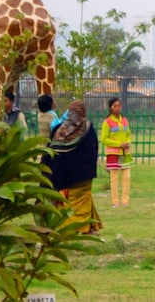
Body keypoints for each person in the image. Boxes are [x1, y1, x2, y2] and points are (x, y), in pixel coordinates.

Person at [43, 100, 102, 235]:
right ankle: (75, 227)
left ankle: (91, 226)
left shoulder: (58, 129)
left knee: (70, 200)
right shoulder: (86, 128)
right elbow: (92, 151)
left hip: (61, 176)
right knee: (80, 200)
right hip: (82, 174)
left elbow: (50, 152)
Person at [100, 97, 133, 208]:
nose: (117, 108)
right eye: (115, 106)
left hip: (125, 153)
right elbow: (104, 139)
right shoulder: (107, 122)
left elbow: (128, 134)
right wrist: (119, 144)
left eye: (119, 105)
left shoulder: (124, 120)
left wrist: (127, 142)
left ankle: (125, 201)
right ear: (110, 108)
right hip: (113, 153)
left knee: (127, 177)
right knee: (114, 178)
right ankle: (115, 201)